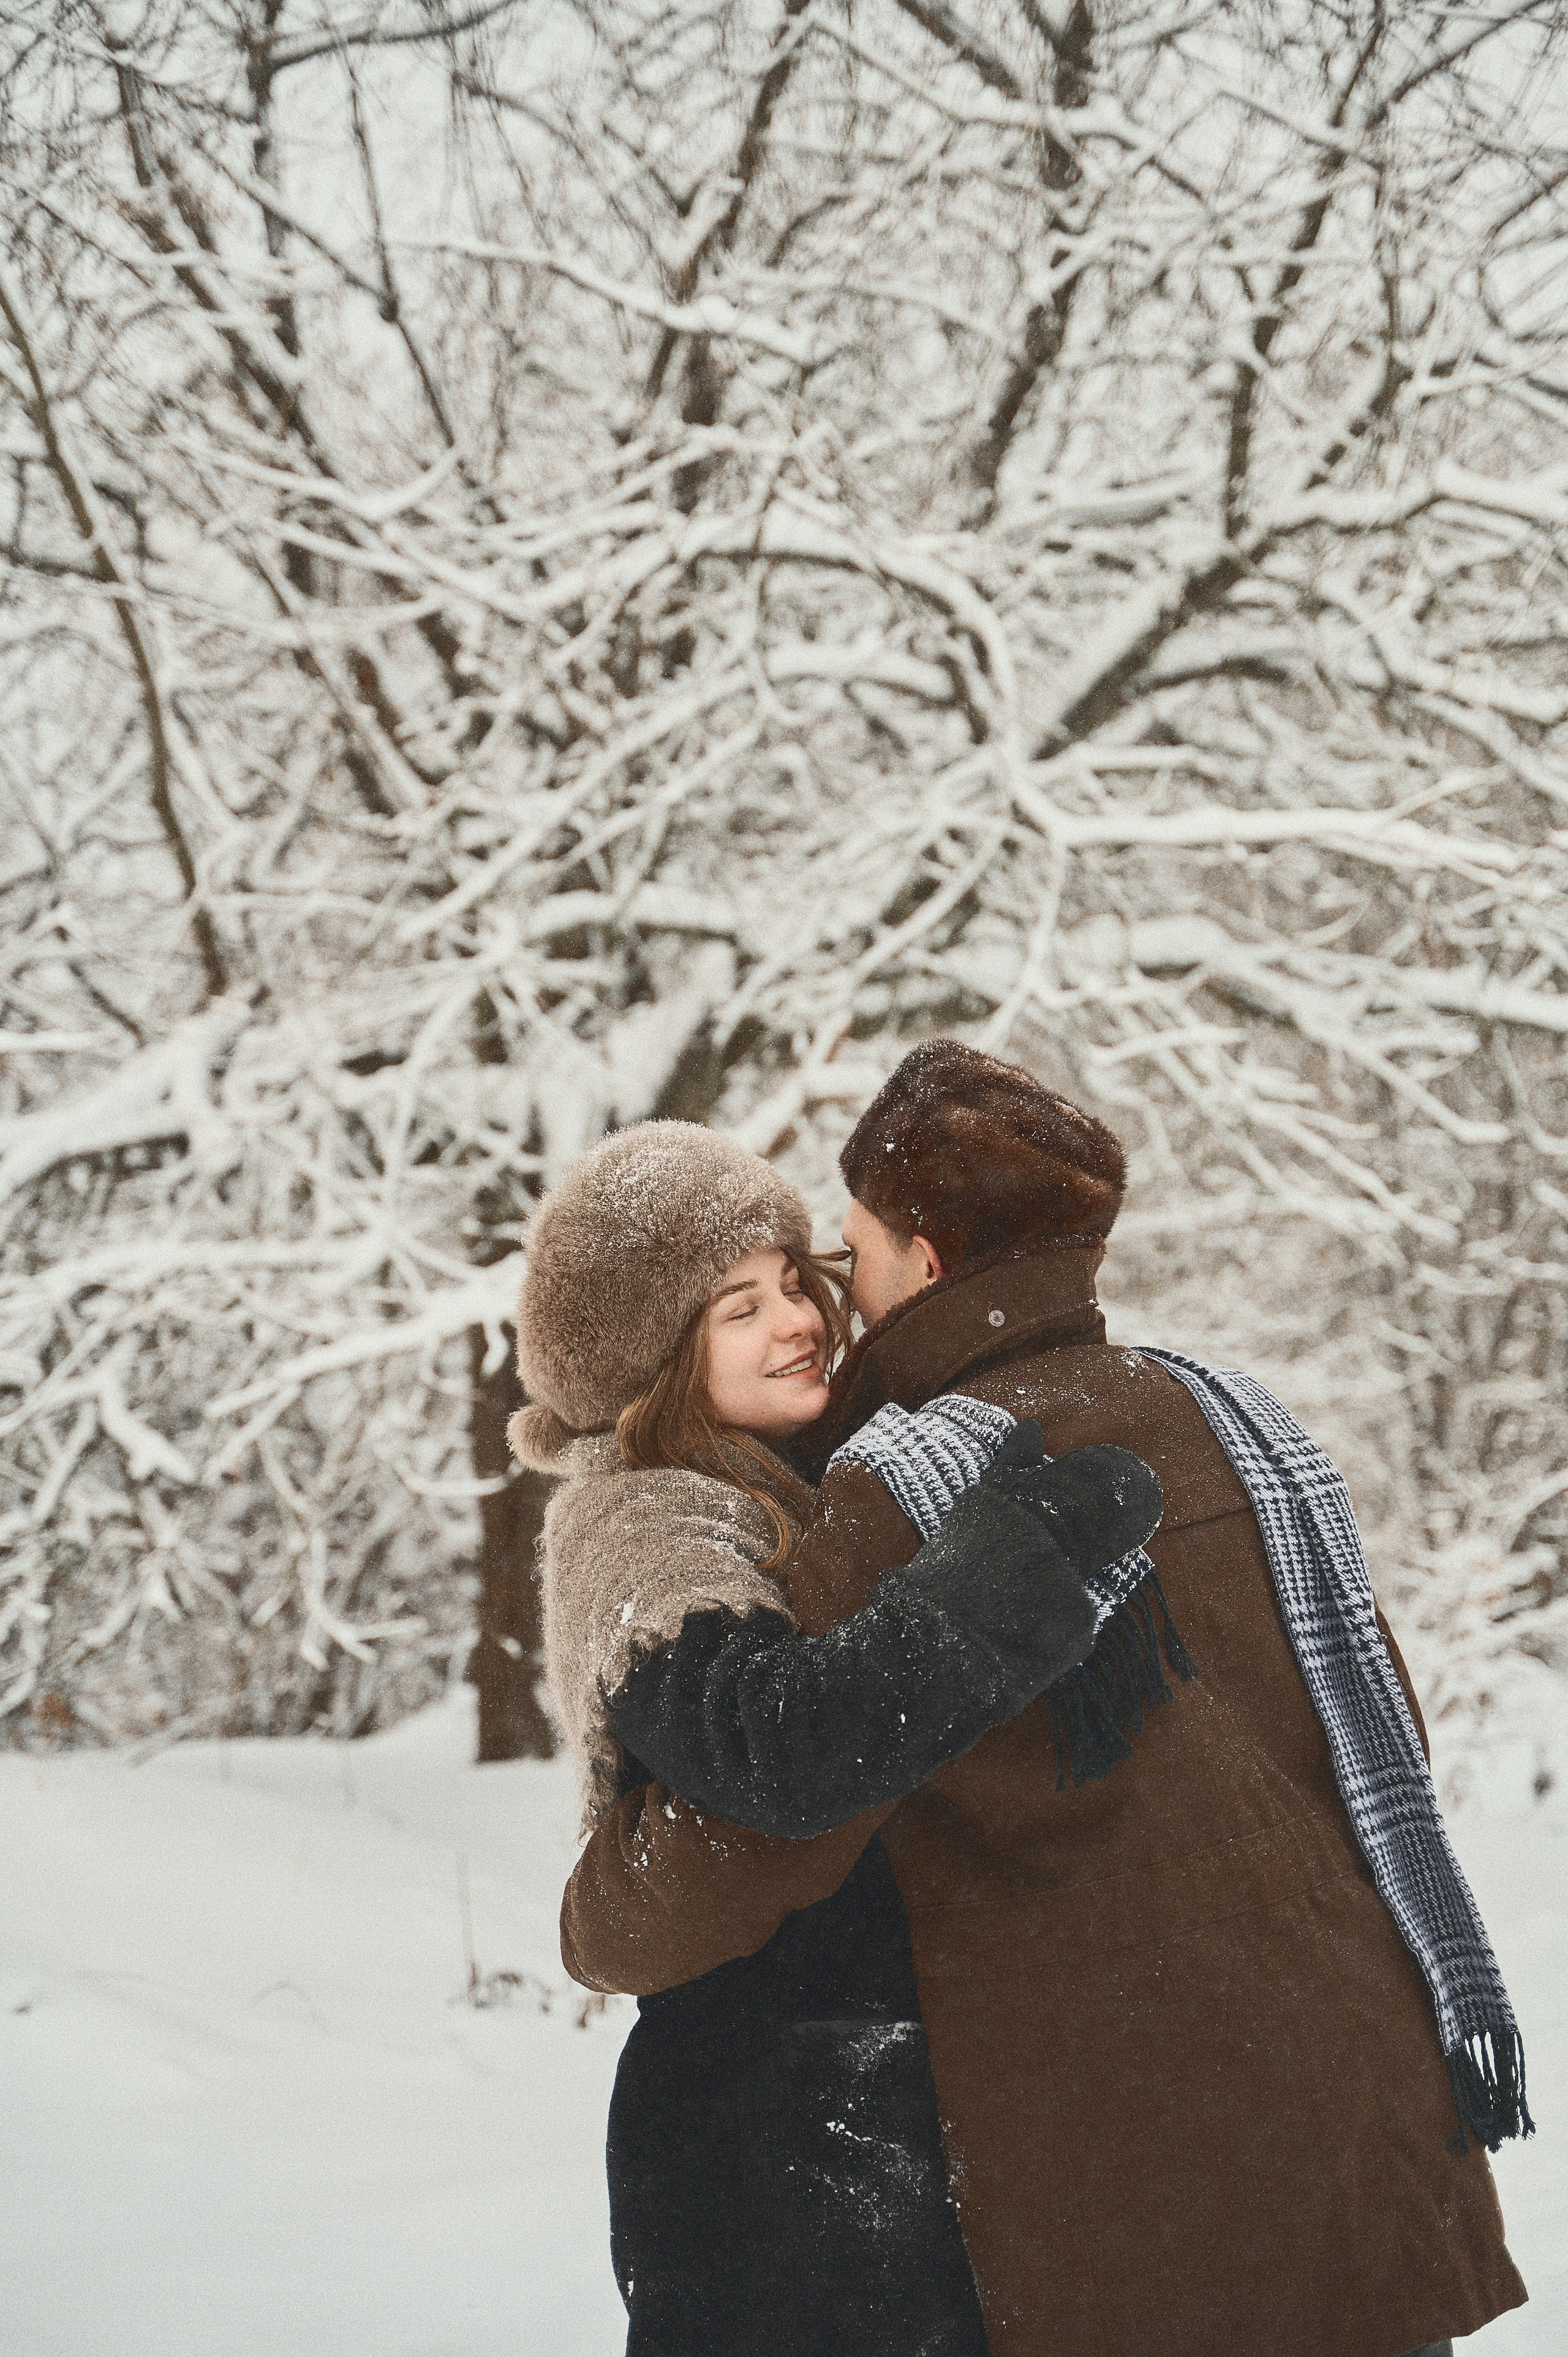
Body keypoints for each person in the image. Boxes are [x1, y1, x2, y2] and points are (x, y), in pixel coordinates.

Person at [562, 1039, 1531, 2357]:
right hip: (1357, 2142)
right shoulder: (1240, 1423)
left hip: (1144, 2190)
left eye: (839, 1258)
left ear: (925, 1261)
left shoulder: (896, 1490)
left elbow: (754, 1833)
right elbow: (1373, 1741)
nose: (824, 1308)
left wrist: (596, 1911)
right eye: (755, 1300)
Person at [508, 1118, 1167, 2357]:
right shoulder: (641, 1522)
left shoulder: (800, 1481)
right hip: (762, 2125)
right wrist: (1004, 1574)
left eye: (792, 1281)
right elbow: (770, 1747)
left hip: (859, 2097)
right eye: (738, 1309)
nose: (798, 1320)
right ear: (656, 1356)